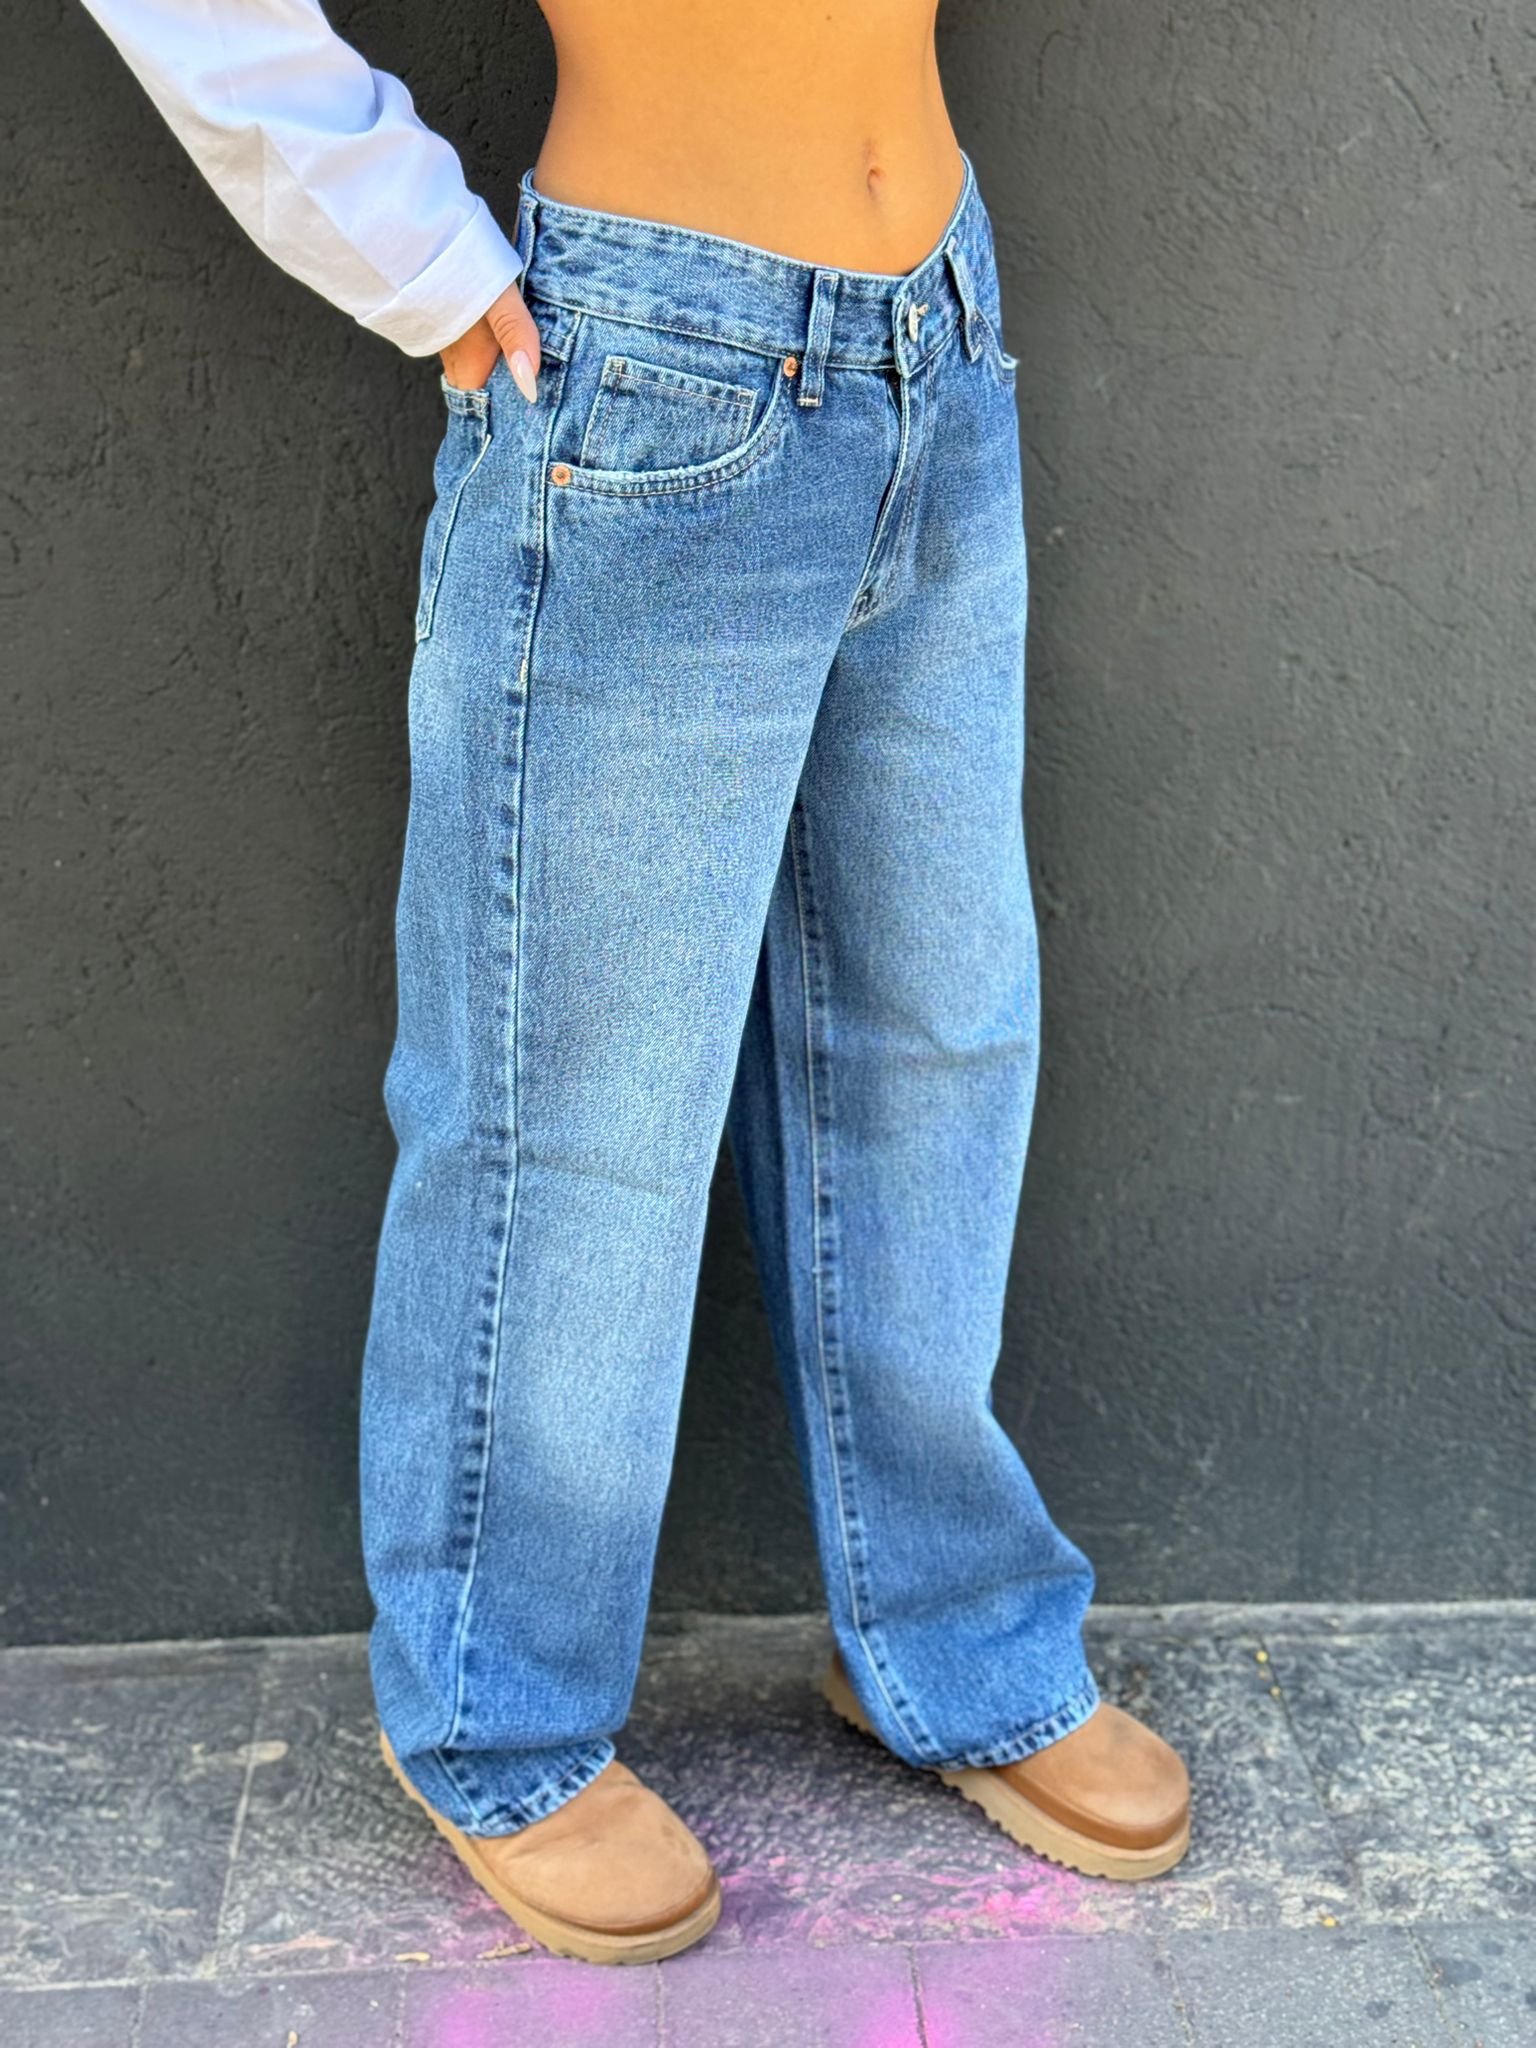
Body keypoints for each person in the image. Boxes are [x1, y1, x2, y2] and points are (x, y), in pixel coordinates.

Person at [78, 0, 1191, 1966]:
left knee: (936, 1038)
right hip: (663, 370)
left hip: (937, 333)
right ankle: (496, 1710)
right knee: (572, 1104)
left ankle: (951, 1636)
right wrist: (407, 247)